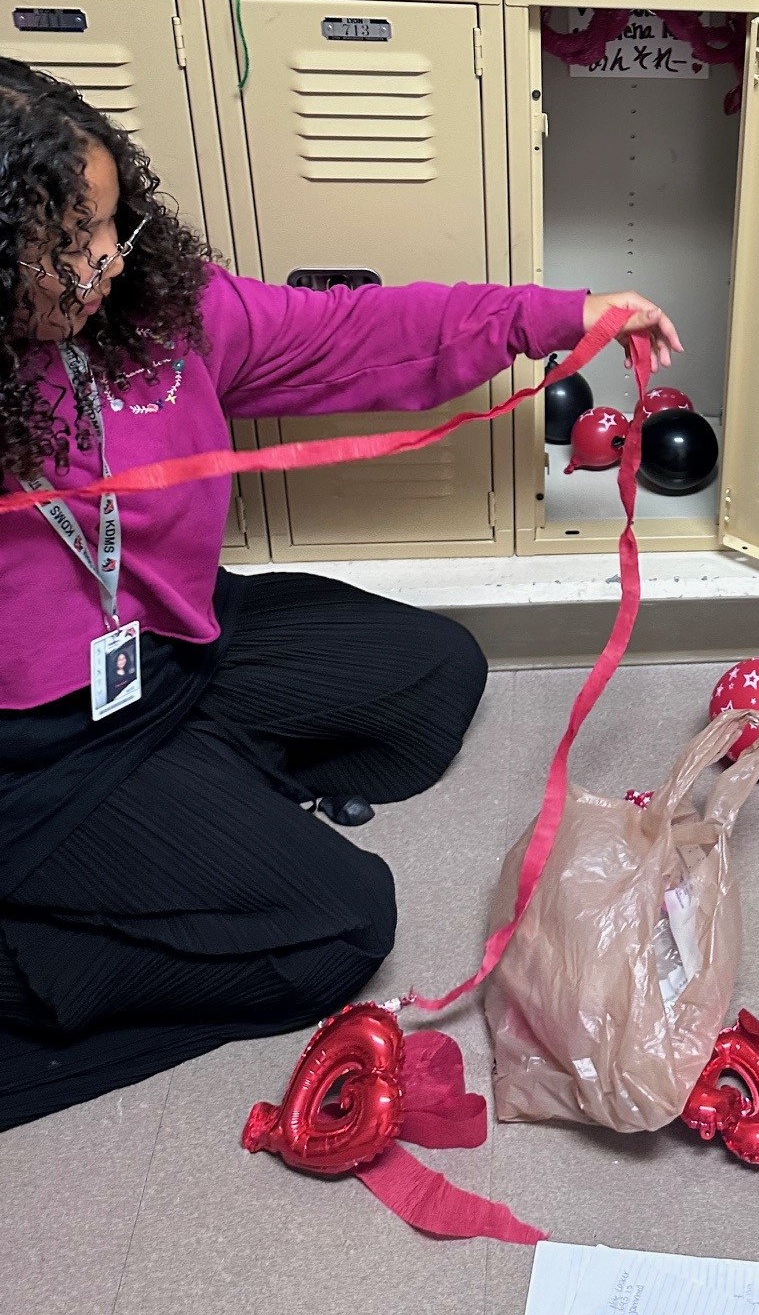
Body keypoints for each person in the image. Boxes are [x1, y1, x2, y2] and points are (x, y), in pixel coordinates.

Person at [0, 56, 680, 1130]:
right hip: (44, 757)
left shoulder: (153, 308)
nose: (105, 263)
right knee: (344, 929)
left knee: (434, 678)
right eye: (66, 248)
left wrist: (557, 316)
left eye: (109, 225)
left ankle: (203, 797)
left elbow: (342, 334)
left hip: (174, 654)